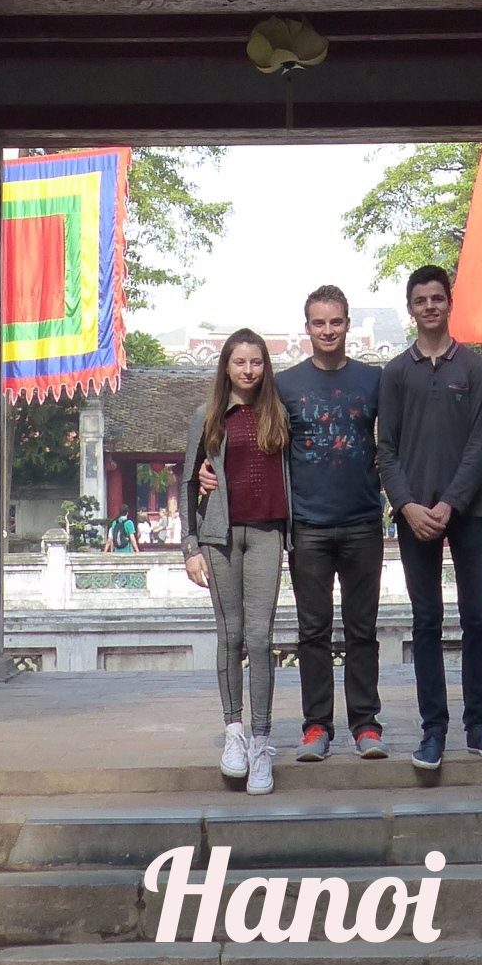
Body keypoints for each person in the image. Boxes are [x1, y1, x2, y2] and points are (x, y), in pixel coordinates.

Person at [378, 264, 482, 775]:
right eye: (420, 300)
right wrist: (407, 505)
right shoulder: (396, 373)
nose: (430, 307)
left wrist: (450, 502)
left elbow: (481, 446)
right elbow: (385, 448)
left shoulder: (473, 369)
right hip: (413, 516)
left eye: (437, 298)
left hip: (468, 512)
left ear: (449, 304)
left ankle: (479, 724)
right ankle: (434, 729)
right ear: (409, 308)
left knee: (476, 619)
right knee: (426, 621)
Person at [276, 285, 388, 763]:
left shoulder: (374, 381)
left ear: (348, 324)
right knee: (313, 631)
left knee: (363, 630)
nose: (327, 331)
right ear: (307, 328)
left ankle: (366, 725)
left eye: (336, 322)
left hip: (363, 521)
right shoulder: (284, 386)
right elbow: (260, 446)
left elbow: (397, 444)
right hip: (309, 526)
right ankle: (316, 726)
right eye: (319, 323)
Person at [183, 329, 291, 796]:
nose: (249, 370)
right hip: (220, 537)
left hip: (267, 532)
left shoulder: (278, 415)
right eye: (240, 362)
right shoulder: (207, 418)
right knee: (229, 635)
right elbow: (189, 483)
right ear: (225, 365)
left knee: (260, 636)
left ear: (265, 367)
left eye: (257, 362)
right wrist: (190, 548)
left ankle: (262, 742)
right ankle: (234, 734)